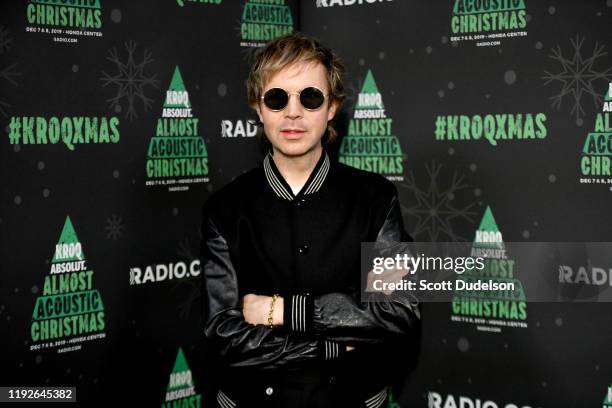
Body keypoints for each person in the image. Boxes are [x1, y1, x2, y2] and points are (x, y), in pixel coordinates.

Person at [200, 32, 420, 408]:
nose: (293, 112)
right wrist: (333, 347)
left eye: (311, 97)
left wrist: (281, 311)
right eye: (277, 98)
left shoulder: (376, 199)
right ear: (258, 107)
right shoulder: (224, 209)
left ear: (332, 107)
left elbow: (398, 313)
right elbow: (224, 336)